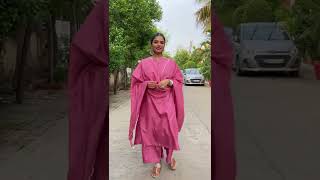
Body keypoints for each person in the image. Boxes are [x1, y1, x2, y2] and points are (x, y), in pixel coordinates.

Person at [128, 33, 185, 178]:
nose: (158, 44)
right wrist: (146, 84)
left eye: (161, 42)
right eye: (155, 42)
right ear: (151, 44)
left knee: (169, 131)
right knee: (151, 132)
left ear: (164, 45)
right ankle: (157, 163)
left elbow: (179, 80)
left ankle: (169, 156)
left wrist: (169, 82)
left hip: (167, 103)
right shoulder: (144, 64)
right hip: (149, 105)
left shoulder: (171, 63)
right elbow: (135, 83)